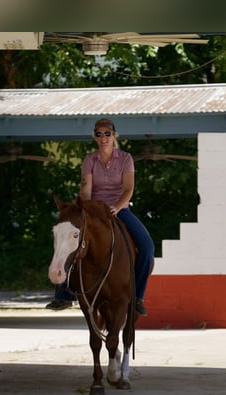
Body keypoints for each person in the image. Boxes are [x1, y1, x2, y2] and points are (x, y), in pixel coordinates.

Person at [47, 118, 154, 316]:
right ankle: (63, 295)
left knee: (148, 247)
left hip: (119, 209)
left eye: (107, 134)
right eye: (99, 134)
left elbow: (129, 189)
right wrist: (86, 209)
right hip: (94, 210)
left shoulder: (126, 158)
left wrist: (116, 207)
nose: (103, 137)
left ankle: (137, 296)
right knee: (67, 239)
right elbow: (86, 191)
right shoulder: (89, 160)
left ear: (114, 136)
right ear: (94, 137)